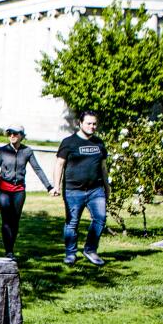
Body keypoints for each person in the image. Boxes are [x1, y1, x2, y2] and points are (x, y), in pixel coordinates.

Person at [0, 125, 54, 259]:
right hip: (3, 189)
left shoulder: (27, 151)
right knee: (6, 219)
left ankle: (11, 248)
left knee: (15, 220)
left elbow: (37, 169)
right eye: (9, 133)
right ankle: (9, 251)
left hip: (19, 190)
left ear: (21, 135)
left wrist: (49, 187)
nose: (12, 136)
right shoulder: (2, 151)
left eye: (15, 133)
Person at [51, 110, 109, 266]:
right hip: (73, 190)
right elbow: (59, 164)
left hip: (96, 190)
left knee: (100, 219)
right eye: (89, 123)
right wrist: (56, 185)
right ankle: (70, 254)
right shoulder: (68, 142)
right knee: (72, 223)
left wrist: (107, 187)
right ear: (80, 123)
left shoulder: (99, 143)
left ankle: (90, 250)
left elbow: (103, 168)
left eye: (95, 123)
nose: (92, 126)